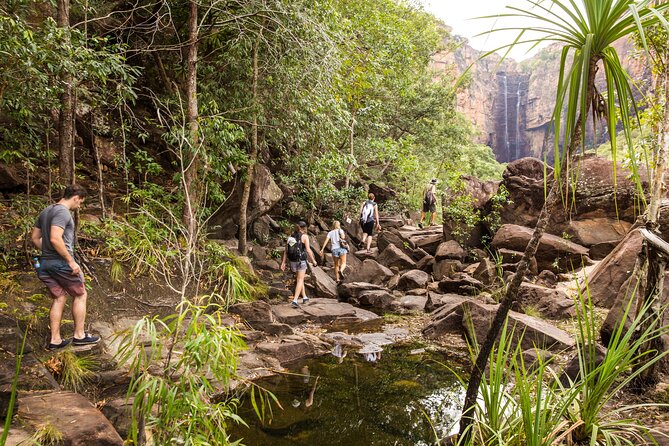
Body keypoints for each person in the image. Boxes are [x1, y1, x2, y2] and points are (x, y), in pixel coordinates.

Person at [31, 185, 100, 349]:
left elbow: (34, 238)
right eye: (80, 203)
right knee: (81, 294)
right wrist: (70, 260)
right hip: (61, 263)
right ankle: (79, 335)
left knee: (59, 297)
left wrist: (47, 252)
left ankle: (55, 340)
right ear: (76, 197)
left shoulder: (46, 211)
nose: (79, 206)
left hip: (45, 263)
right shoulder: (62, 212)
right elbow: (55, 238)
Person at [281, 221, 317, 308]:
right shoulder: (305, 237)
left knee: (299, 279)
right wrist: (314, 261)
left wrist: (283, 262)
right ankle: (295, 300)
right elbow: (308, 250)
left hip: (293, 261)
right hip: (301, 261)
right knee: (300, 280)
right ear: (304, 228)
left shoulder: (291, 237)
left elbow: (286, 251)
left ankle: (304, 297)